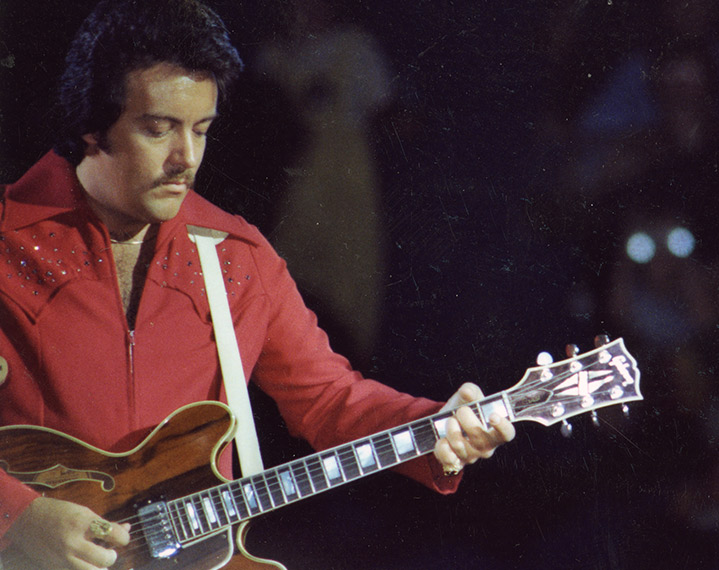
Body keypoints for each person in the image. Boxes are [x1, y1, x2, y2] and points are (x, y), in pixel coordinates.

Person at [0, 1, 514, 568]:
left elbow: (329, 399)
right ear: (92, 124)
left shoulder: (236, 256)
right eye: (158, 129)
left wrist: (435, 424)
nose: (186, 158)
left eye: (201, 129)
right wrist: (16, 518)